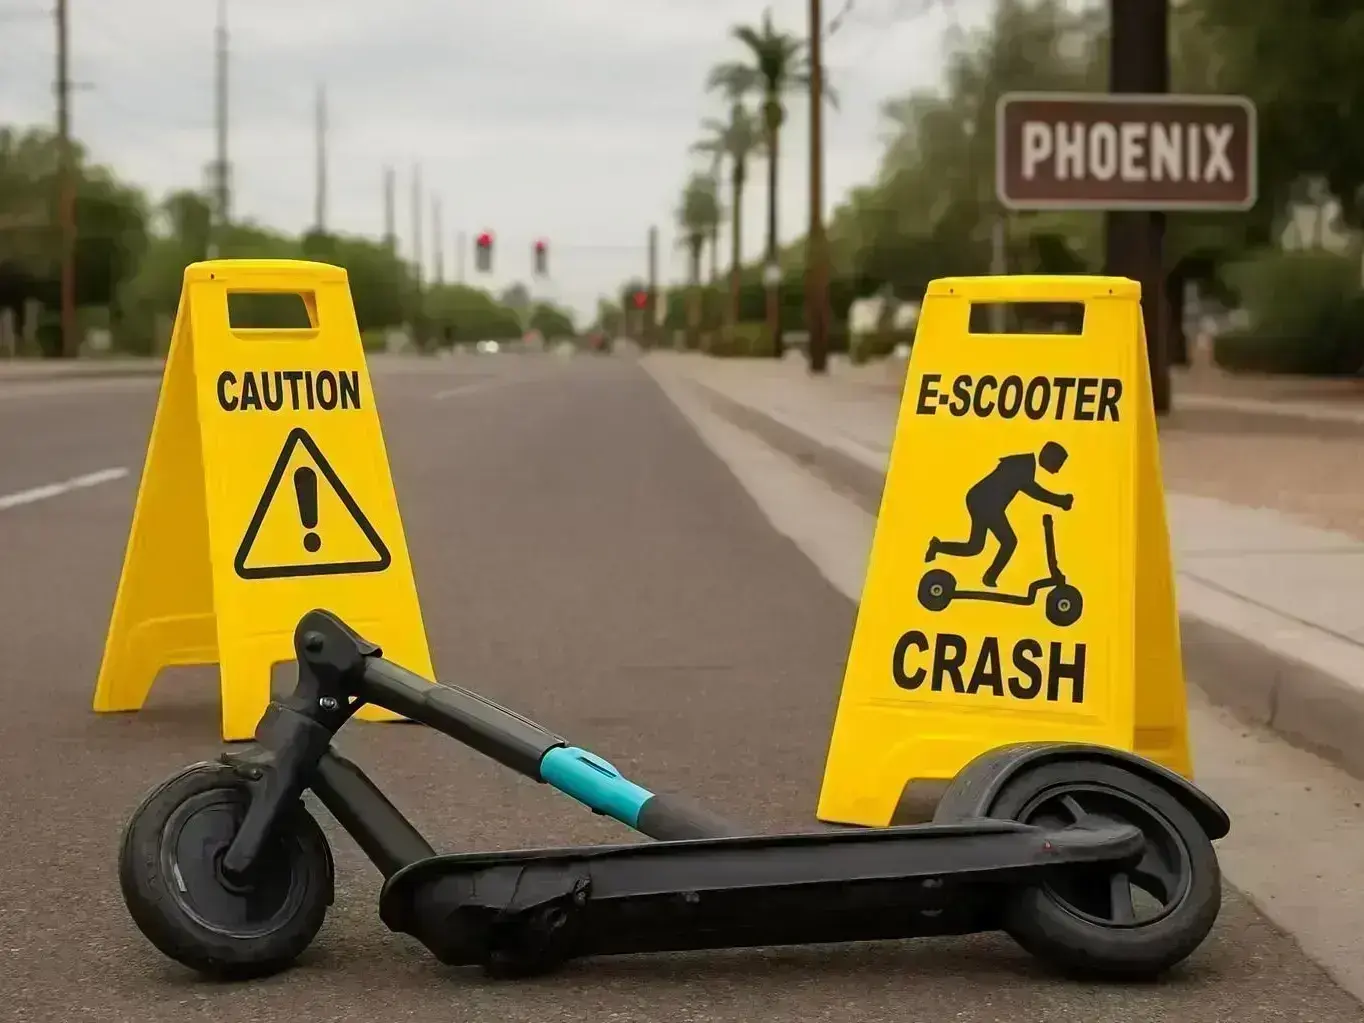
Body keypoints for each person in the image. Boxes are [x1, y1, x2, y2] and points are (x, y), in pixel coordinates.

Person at [925, 441, 1072, 587]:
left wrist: (1060, 500)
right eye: (1058, 464)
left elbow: (1032, 489)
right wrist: (1060, 501)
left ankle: (938, 546)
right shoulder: (1022, 466)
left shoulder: (1025, 465)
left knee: (975, 547)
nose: (1057, 470)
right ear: (1049, 457)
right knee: (1009, 542)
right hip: (985, 503)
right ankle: (990, 577)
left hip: (981, 500)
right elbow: (1034, 491)